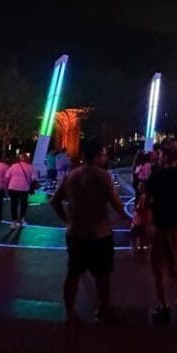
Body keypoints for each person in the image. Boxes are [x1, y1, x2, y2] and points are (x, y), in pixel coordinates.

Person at [50, 139, 123, 328]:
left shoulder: (71, 176)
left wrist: (67, 220)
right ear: (98, 156)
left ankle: (70, 313)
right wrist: (127, 217)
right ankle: (103, 309)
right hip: (100, 232)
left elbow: (55, 201)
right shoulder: (103, 176)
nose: (106, 157)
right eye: (104, 154)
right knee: (103, 274)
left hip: (75, 232)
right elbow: (114, 201)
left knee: (73, 273)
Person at [145, 141, 177, 324]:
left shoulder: (156, 176)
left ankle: (164, 305)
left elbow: (146, 198)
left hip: (160, 224)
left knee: (158, 267)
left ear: (164, 157)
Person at [5, 152, 36, 229]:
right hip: (24, 188)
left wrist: (6, 187)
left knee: (14, 204)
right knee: (23, 204)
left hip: (13, 187)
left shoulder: (13, 166)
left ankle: (14, 221)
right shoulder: (30, 167)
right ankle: (22, 219)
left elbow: (7, 177)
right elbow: (34, 179)